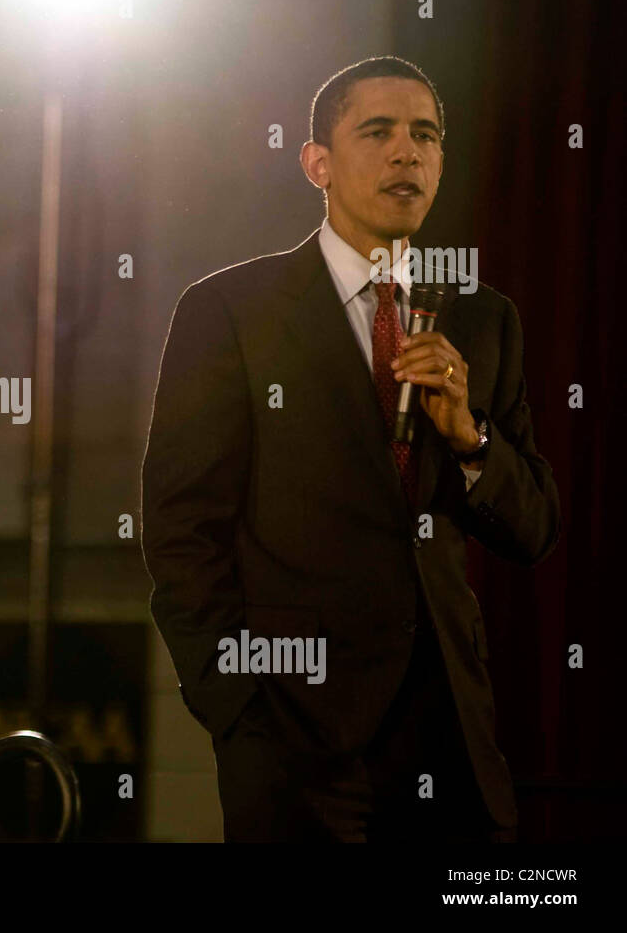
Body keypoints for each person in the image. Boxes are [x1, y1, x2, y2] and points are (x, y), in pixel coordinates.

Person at [141, 56, 559, 841]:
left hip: (450, 739)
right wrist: (240, 714)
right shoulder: (230, 311)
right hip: (296, 741)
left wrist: (471, 436)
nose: (409, 153)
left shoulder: (480, 317)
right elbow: (180, 534)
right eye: (380, 132)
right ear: (318, 164)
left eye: (426, 136)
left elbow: (536, 525)